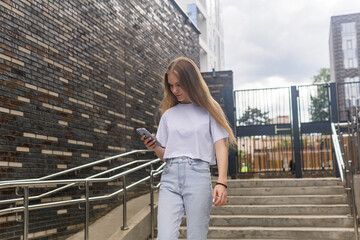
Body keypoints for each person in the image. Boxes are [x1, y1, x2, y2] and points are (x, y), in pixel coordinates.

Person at [141, 57, 236, 240]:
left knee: (197, 237)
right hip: (170, 178)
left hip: (198, 177)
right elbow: (165, 155)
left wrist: (222, 182)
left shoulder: (209, 110)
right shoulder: (168, 114)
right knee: (165, 237)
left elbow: (220, 147)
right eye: (171, 85)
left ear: (191, 81)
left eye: (179, 84)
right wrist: (154, 146)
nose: (174, 90)